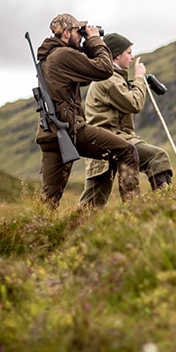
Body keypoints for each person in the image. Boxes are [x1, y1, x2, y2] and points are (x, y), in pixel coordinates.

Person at [34, 14, 141, 208]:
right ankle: (135, 212)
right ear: (66, 33)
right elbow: (105, 70)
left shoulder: (48, 58)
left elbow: (87, 75)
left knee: (48, 200)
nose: (81, 36)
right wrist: (94, 39)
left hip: (50, 135)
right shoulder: (63, 55)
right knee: (127, 151)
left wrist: (85, 45)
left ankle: (39, 233)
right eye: (78, 32)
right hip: (71, 130)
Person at [78, 33, 174, 209]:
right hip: (110, 140)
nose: (131, 57)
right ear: (116, 56)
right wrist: (139, 78)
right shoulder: (108, 79)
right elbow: (134, 104)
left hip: (111, 141)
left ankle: (158, 207)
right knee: (157, 157)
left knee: (93, 201)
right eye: (128, 53)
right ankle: (160, 206)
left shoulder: (113, 78)